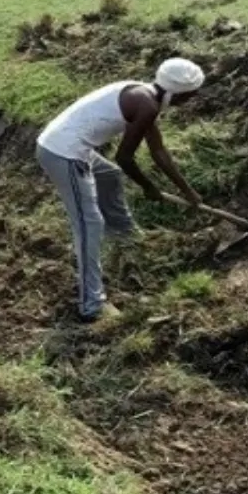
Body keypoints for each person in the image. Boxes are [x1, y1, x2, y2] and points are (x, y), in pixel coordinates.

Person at [36, 58, 207, 323]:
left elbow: (158, 150)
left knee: (108, 175)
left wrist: (187, 191)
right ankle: (91, 305)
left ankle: (125, 236)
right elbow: (125, 157)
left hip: (66, 144)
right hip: (64, 154)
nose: (190, 102)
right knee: (88, 225)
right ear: (178, 94)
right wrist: (149, 187)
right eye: (190, 97)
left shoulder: (143, 93)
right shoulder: (146, 105)